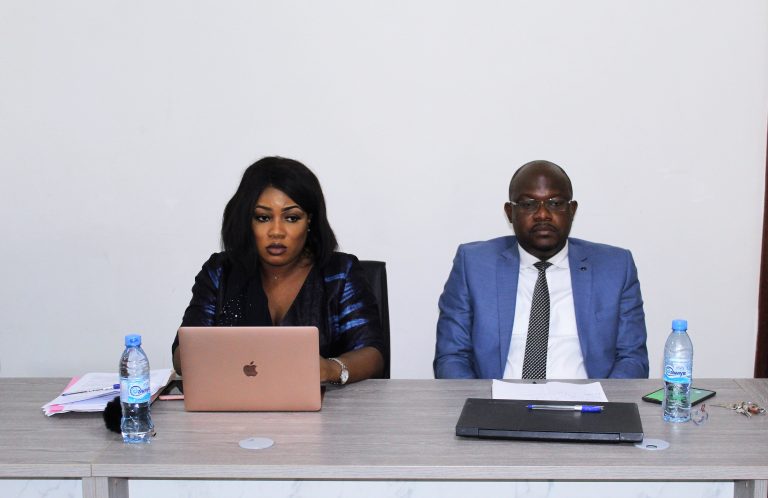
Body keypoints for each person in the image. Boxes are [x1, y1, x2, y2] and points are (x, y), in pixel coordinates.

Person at [172, 156, 385, 384]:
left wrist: (331, 369)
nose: (276, 231)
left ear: (309, 220)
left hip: (325, 403)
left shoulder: (339, 273)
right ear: (247, 221)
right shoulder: (221, 272)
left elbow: (372, 354)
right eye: (263, 217)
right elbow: (182, 355)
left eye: (291, 218)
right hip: (234, 401)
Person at [434, 160, 648, 379]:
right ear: (510, 212)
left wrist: (602, 400)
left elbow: (632, 358)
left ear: (572, 210)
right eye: (528, 204)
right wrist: (479, 400)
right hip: (497, 398)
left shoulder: (615, 267)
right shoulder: (473, 265)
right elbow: (452, 357)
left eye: (555, 203)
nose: (543, 214)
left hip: (587, 398)